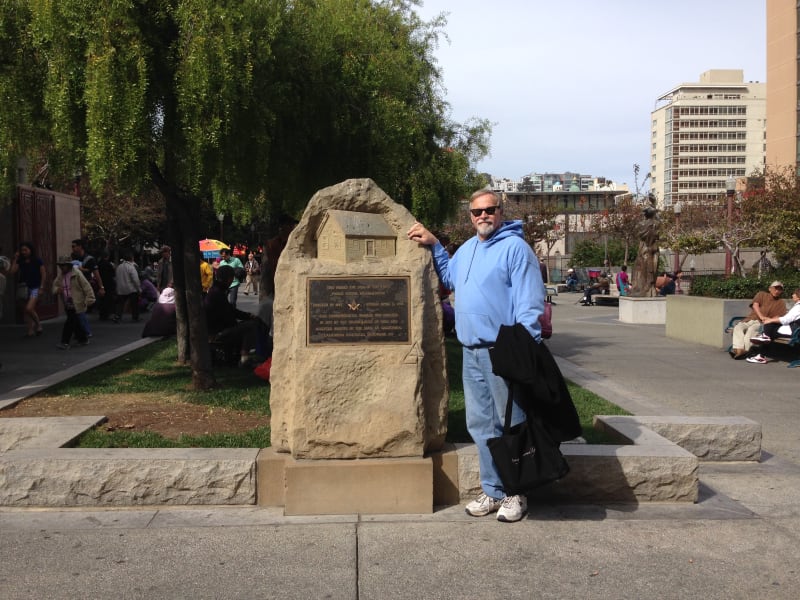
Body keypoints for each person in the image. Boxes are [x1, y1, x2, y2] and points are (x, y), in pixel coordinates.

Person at [406, 189, 546, 523]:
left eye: (489, 210)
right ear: (469, 216)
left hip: (504, 351)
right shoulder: (468, 249)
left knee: (511, 423)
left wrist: (525, 348)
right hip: (471, 351)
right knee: (481, 424)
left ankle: (517, 492)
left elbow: (530, 303)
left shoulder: (515, 249)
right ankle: (494, 490)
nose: (482, 216)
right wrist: (434, 245)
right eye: (476, 212)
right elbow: (451, 277)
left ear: (500, 211)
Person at [205, 265, 258, 366]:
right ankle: (244, 358)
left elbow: (230, 311)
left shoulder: (215, 290)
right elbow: (229, 316)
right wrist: (246, 318)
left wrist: (247, 316)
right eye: (231, 279)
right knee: (250, 326)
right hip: (217, 333)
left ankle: (240, 354)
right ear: (229, 278)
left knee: (246, 323)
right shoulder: (217, 293)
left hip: (216, 329)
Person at [730, 281, 787, 360]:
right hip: (750, 319)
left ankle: (742, 351)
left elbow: (779, 316)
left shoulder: (781, 303)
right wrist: (761, 316)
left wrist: (768, 319)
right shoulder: (762, 294)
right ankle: (740, 350)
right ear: (770, 289)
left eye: (779, 289)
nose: (777, 291)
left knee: (751, 331)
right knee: (738, 327)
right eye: (775, 289)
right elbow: (755, 305)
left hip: (762, 323)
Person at [746, 288, 800, 364]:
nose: (792, 295)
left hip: (794, 331)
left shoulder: (798, 307)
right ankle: (764, 339)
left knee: (769, 325)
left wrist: (771, 320)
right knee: (770, 328)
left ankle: (762, 348)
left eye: (794, 293)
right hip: (795, 329)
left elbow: (786, 319)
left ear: (798, 296)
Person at [52, 255, 95, 349]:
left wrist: (90, 298)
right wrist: (57, 290)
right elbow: (54, 286)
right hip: (67, 302)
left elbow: (86, 286)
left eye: (63, 265)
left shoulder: (77, 274)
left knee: (70, 322)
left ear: (68, 265)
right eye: (60, 265)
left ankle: (65, 342)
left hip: (77, 302)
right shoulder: (60, 276)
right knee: (75, 322)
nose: (61, 267)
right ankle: (83, 339)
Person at [8, 242, 46, 337]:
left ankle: (38, 324)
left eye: (25, 250)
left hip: (35, 288)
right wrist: (15, 259)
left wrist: (41, 287)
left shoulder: (37, 260)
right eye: (22, 250)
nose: (23, 252)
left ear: (30, 250)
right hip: (24, 288)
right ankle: (30, 330)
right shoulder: (20, 261)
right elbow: (12, 271)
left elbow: (43, 274)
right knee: (27, 309)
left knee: (29, 308)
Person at [113, 251, 141, 323]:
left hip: (121, 289)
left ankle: (117, 316)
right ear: (132, 258)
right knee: (134, 303)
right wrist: (139, 289)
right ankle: (135, 317)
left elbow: (116, 278)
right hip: (131, 289)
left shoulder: (119, 267)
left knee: (120, 304)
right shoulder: (131, 267)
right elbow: (135, 279)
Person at [96, 250, 116, 321]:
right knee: (108, 299)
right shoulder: (108, 264)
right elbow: (113, 274)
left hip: (101, 283)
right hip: (108, 284)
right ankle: (106, 314)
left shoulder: (98, 263)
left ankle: (102, 314)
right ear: (107, 256)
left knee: (102, 299)